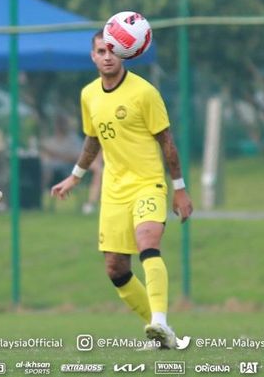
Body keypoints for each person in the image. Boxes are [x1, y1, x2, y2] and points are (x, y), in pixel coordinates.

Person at [51, 30, 193, 349]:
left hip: (148, 184)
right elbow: (92, 139)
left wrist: (180, 188)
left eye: (113, 50)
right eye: (101, 51)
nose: (107, 56)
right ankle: (161, 335)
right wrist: (75, 177)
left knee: (147, 242)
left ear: (124, 53)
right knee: (116, 268)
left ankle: (159, 320)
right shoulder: (89, 94)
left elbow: (167, 141)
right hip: (114, 192)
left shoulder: (144, 92)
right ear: (93, 55)